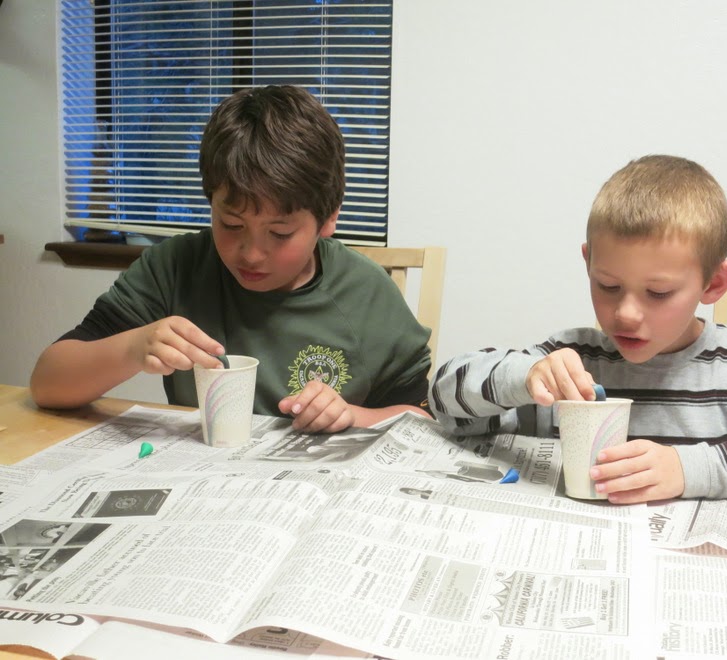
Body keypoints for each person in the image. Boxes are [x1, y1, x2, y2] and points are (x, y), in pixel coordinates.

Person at [428, 155, 727, 504]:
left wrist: (689, 469)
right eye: (608, 285)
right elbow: (444, 405)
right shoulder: (573, 361)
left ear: (714, 283)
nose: (626, 314)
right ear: (588, 262)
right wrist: (522, 377)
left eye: (658, 293)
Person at [31, 85, 432, 433]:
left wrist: (351, 415)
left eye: (280, 233)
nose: (252, 254)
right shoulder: (176, 267)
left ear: (328, 219)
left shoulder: (366, 293)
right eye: (231, 224)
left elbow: (421, 417)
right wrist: (132, 348)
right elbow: (48, 385)